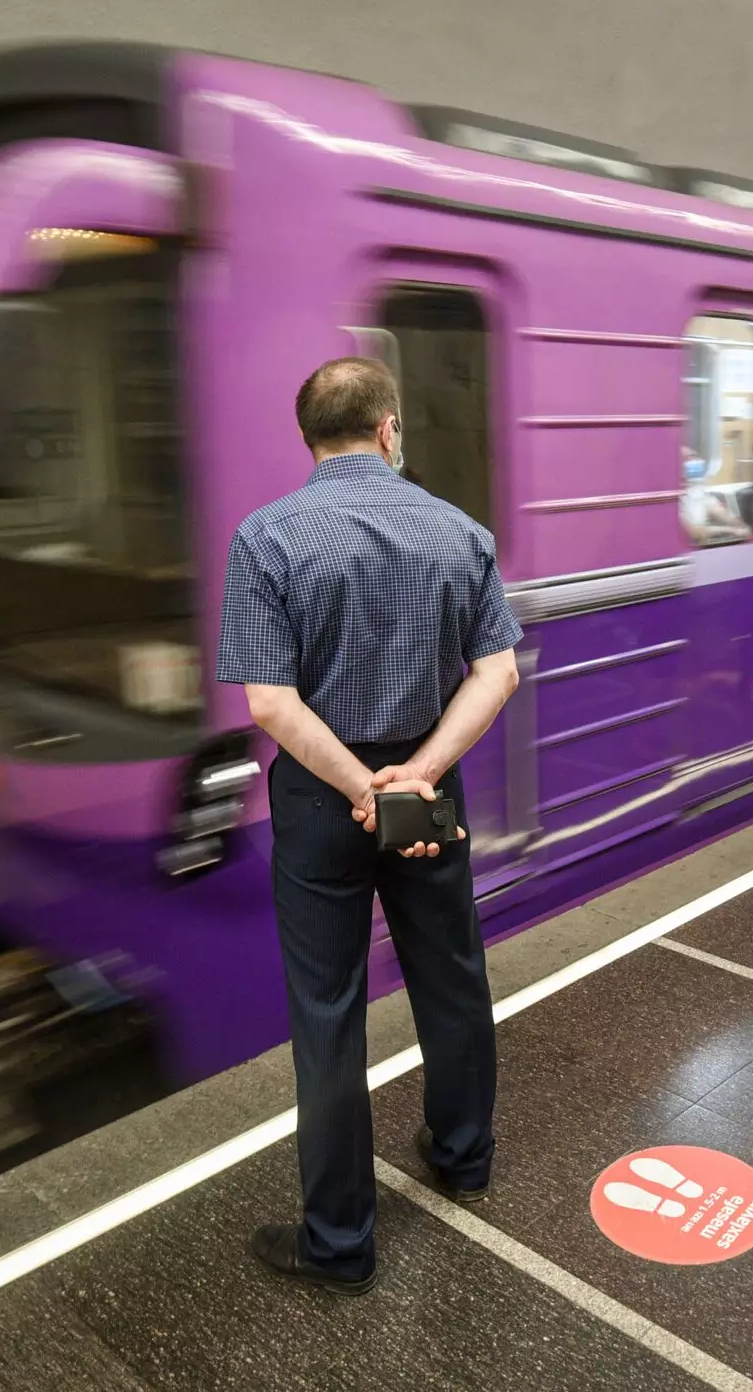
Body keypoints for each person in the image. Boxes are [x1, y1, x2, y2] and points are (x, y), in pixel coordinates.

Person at [217, 357, 522, 1294]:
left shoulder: (264, 539)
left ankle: (340, 1240)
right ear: (390, 427)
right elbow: (498, 672)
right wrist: (416, 778)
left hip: (320, 798)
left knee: (328, 1012)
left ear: (309, 438)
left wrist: (358, 787)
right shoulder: (460, 532)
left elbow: (271, 704)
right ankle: (463, 1153)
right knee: (452, 975)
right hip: (429, 797)